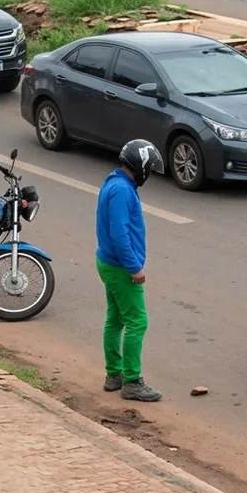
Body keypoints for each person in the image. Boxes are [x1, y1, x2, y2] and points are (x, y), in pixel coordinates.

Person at [96, 139, 164, 402]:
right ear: (140, 165)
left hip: (108, 262)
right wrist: (134, 267)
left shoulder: (114, 181)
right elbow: (119, 234)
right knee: (138, 321)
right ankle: (132, 381)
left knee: (115, 320)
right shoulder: (122, 191)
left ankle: (114, 375)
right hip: (119, 266)